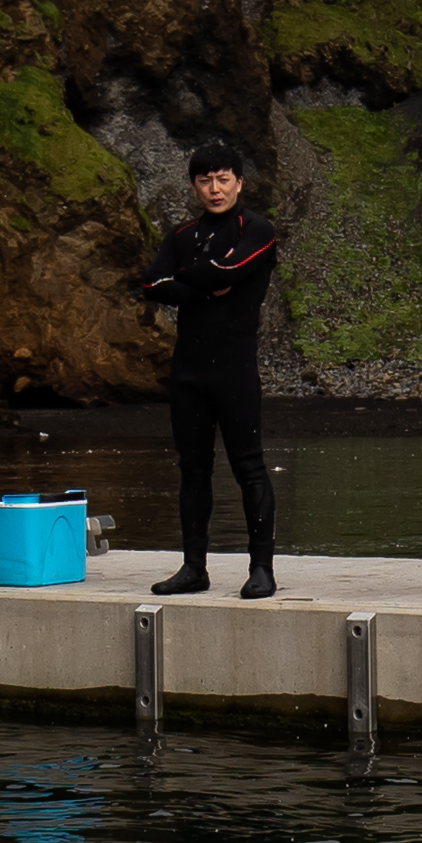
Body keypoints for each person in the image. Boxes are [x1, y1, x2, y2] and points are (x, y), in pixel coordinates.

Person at [136, 138, 282, 600]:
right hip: (189, 369)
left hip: (234, 366)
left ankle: (261, 569)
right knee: (192, 469)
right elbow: (151, 285)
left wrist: (192, 279)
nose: (214, 189)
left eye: (223, 179)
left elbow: (227, 271)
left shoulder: (257, 228)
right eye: (205, 180)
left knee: (249, 467)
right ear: (194, 185)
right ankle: (193, 567)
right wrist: (207, 282)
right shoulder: (181, 235)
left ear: (239, 182)